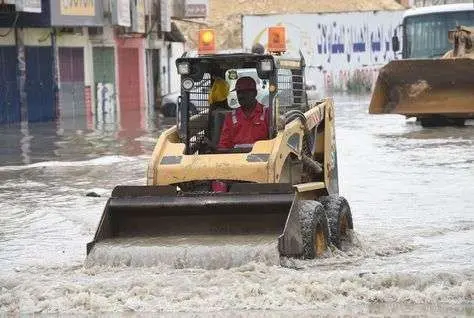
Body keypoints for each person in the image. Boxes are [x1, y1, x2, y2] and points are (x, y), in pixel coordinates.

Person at [217, 76, 269, 150]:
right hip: (236, 158)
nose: (240, 96)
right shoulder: (230, 117)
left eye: (245, 92)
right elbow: (224, 145)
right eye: (239, 92)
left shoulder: (267, 113)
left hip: (262, 157)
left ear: (255, 93)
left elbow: (274, 141)